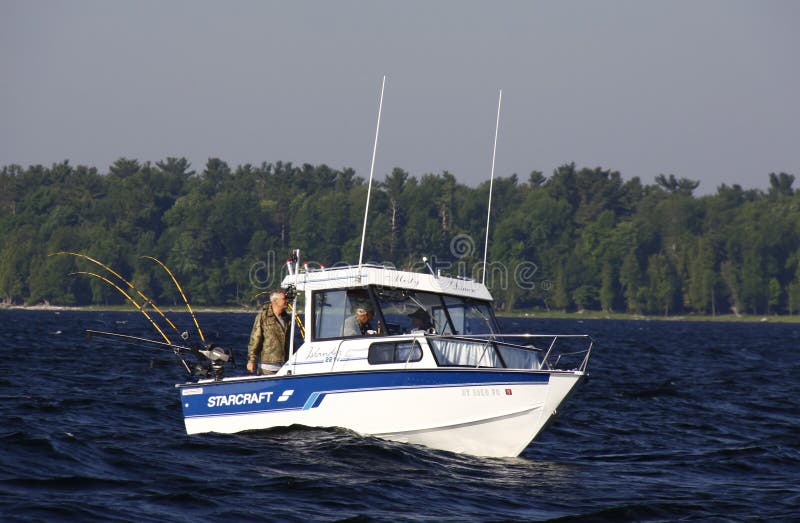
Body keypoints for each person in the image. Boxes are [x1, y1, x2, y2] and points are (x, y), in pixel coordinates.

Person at [247, 289, 290, 375]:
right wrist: (251, 360)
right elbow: (255, 339)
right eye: (284, 298)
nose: (287, 301)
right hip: (267, 367)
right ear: (275, 301)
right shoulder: (263, 317)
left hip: (285, 365)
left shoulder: (287, 318)